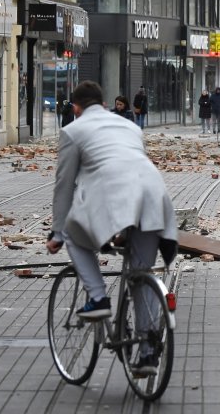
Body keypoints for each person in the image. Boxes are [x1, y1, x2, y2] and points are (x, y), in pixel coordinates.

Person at [45, 80, 177, 376]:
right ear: (104, 105)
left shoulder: (72, 131)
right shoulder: (130, 127)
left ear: (76, 109)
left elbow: (64, 186)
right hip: (153, 197)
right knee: (140, 273)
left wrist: (56, 231)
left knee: (72, 235)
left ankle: (98, 297)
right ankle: (147, 354)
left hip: (115, 199)